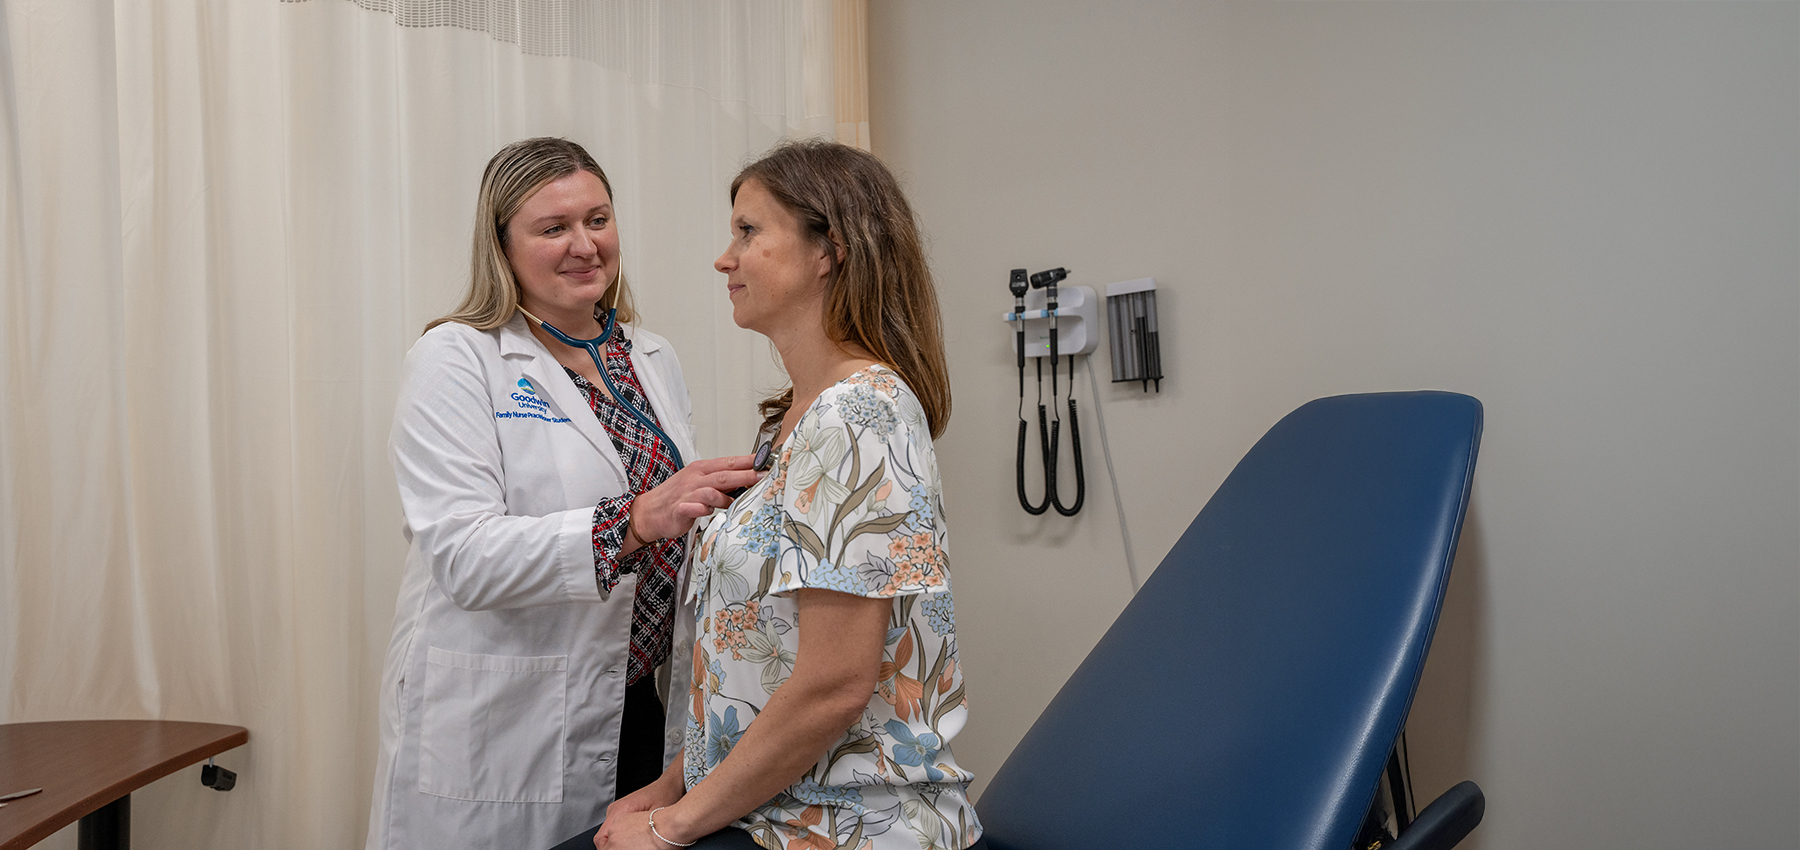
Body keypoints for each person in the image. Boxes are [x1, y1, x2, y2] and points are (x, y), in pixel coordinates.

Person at [573, 139, 985, 850]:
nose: (724, 258)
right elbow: (755, 667)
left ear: (830, 250)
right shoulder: (790, 424)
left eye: (748, 231)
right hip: (768, 809)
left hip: (848, 825)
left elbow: (833, 684)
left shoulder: (860, 415)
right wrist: (669, 785)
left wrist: (673, 825)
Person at [367, 137, 762, 850]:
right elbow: (463, 555)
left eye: (598, 219)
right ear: (502, 247)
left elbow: (676, 515)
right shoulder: (458, 357)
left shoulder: (649, 356)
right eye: (553, 228)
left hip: (637, 700)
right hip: (509, 713)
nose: (585, 245)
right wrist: (637, 520)